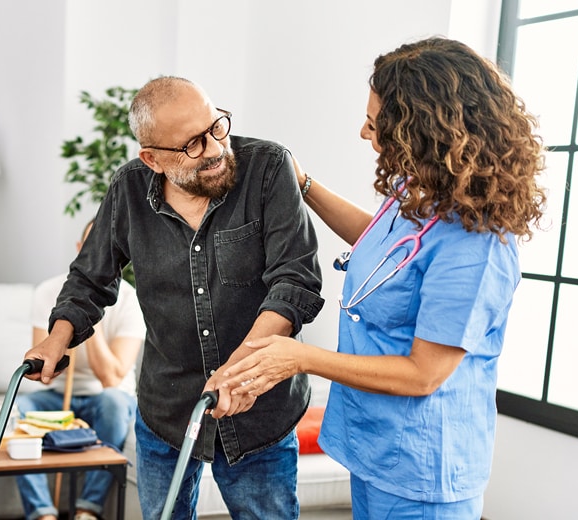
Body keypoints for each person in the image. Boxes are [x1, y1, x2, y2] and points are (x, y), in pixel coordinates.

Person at [216, 37, 545, 518]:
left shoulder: (477, 246)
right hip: (374, 449)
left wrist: (302, 358)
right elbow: (381, 243)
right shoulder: (422, 189)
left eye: (375, 125)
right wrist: (302, 184)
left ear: (424, 133)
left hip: (422, 470)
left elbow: (423, 374)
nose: (363, 133)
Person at [23, 76, 325, 520]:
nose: (215, 149)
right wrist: (57, 338)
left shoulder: (268, 168)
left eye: (216, 127)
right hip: (167, 411)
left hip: (258, 409)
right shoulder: (128, 188)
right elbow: (89, 277)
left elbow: (295, 281)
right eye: (192, 145)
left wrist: (238, 371)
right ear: (152, 158)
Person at [15, 219, 145, 520]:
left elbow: (112, 378)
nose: (102, 257)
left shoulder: (130, 300)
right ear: (79, 250)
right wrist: (71, 309)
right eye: (93, 248)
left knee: (113, 403)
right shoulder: (48, 292)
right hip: (58, 395)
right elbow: (43, 371)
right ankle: (43, 513)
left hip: (106, 396)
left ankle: (87, 509)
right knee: (17, 410)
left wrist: (89, 313)